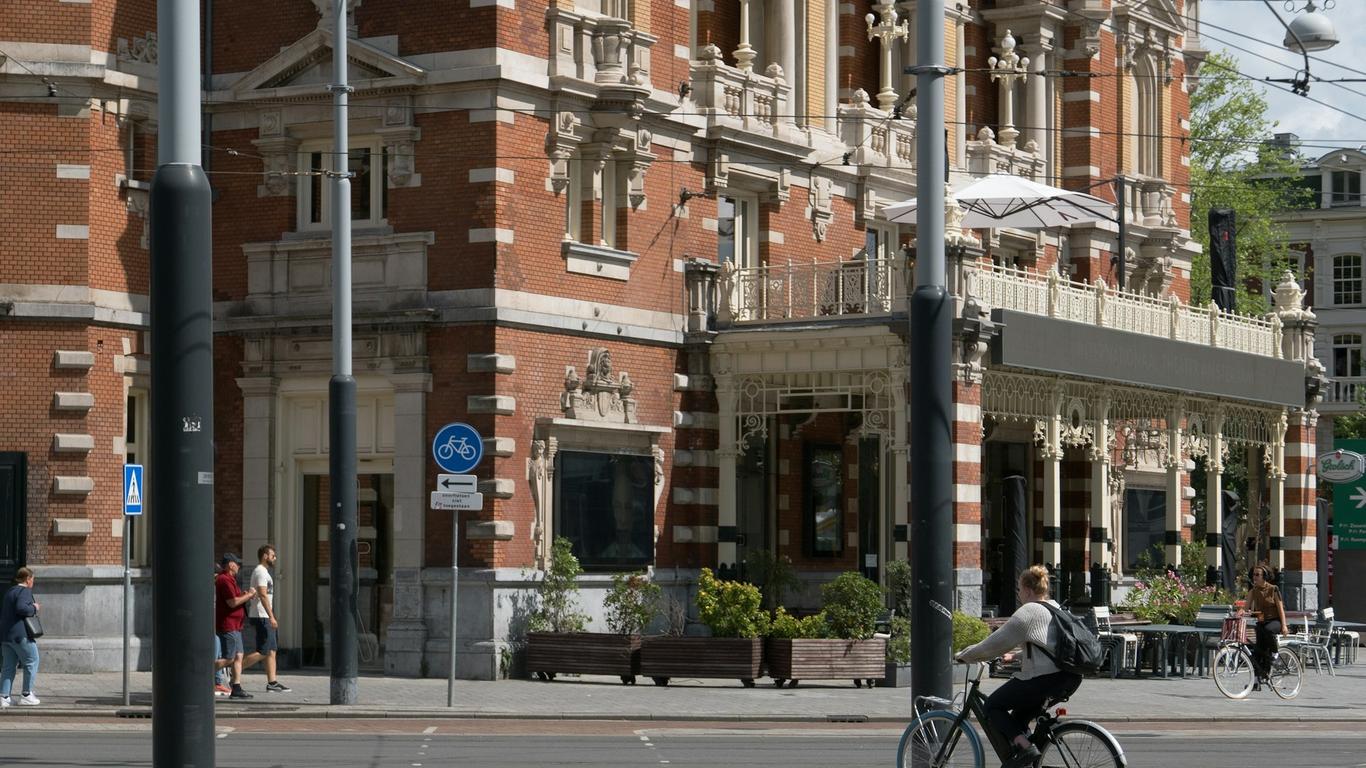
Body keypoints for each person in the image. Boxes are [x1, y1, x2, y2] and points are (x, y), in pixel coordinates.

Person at [956, 565, 1082, 768]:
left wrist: (965, 655)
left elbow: (994, 643)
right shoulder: (1054, 606)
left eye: (1019, 590)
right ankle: (1028, 756)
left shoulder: (1029, 611)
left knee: (993, 706)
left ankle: (1026, 749)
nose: (1018, 594)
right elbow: (1050, 649)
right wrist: (1015, 656)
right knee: (1018, 720)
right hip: (1068, 676)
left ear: (1028, 590)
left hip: (1044, 679)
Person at [247, 544, 290, 693]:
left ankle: (272, 683)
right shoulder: (260, 572)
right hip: (262, 616)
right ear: (265, 556)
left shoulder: (264, 572)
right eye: (273, 555)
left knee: (271, 650)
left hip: (265, 616)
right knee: (263, 651)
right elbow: (263, 595)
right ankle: (234, 670)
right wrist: (271, 616)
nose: (275, 558)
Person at [215, 553, 257, 700]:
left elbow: (236, 599)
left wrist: (243, 595)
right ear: (231, 565)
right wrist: (250, 595)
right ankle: (201, 674)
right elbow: (232, 602)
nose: (239, 566)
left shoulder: (230, 579)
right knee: (229, 658)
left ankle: (236, 687)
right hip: (228, 624)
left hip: (236, 625)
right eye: (237, 563)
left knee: (238, 656)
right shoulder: (224, 580)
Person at [1241, 562, 1289, 690]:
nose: (1254, 577)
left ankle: (1275, 653)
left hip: (1275, 621)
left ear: (1264, 576)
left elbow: (1280, 610)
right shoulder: (1253, 591)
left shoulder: (1274, 589)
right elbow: (1246, 608)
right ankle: (1256, 682)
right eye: (1253, 575)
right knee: (1257, 653)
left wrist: (1284, 625)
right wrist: (1241, 612)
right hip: (1261, 622)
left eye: (1257, 575)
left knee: (1268, 630)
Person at [0, 567, 41, 707]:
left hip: (6, 636)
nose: (33, 582)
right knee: (32, 660)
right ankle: (26, 694)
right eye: (33, 579)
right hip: (20, 635)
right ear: (28, 579)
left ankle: (4, 697)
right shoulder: (25, 591)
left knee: (8, 667)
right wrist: (34, 607)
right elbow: (22, 608)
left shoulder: (10, 591)